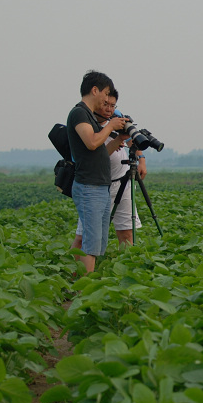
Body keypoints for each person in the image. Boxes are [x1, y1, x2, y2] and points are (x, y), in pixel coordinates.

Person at [67, 70, 129, 274]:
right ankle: (83, 292)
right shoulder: (79, 113)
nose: (106, 100)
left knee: (97, 243)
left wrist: (119, 139)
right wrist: (111, 125)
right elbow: (92, 142)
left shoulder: (91, 118)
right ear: (95, 90)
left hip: (100, 186)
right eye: (106, 93)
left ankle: (76, 281)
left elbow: (100, 153)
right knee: (91, 245)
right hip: (89, 186)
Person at [70, 88, 147, 253]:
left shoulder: (116, 117)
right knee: (84, 236)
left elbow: (133, 137)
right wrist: (112, 132)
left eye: (112, 105)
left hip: (122, 181)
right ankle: (72, 271)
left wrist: (141, 159)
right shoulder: (87, 123)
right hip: (97, 186)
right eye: (105, 104)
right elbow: (97, 155)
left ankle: (126, 270)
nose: (109, 109)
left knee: (126, 232)